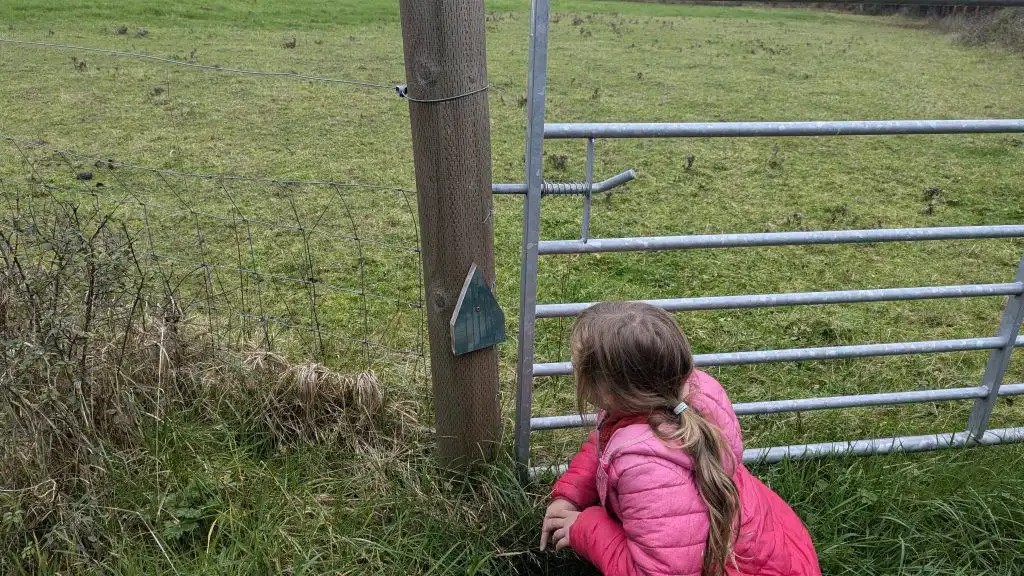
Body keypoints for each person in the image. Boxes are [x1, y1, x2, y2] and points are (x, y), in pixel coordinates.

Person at [540, 301, 821, 576]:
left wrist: (586, 527)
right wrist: (570, 495)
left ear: (611, 391)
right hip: (769, 544)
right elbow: (604, 443)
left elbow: (656, 572)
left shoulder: (648, 471)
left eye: (578, 366)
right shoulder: (678, 393)